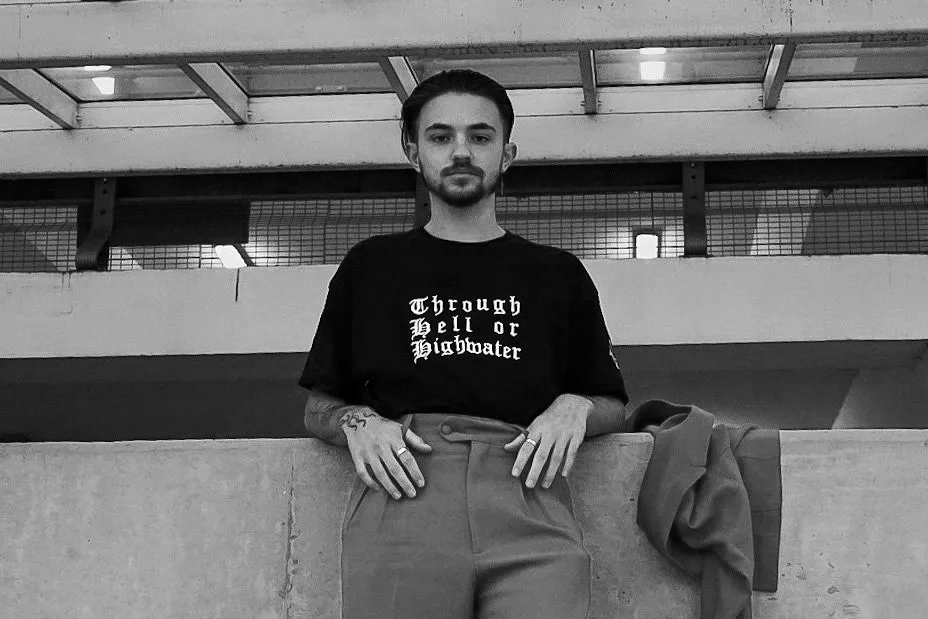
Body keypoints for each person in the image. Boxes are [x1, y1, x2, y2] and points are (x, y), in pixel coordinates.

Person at [299, 69, 629, 619]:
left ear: (507, 153)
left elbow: (613, 403)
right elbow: (318, 406)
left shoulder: (557, 274)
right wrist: (361, 422)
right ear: (413, 152)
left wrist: (576, 405)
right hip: (405, 498)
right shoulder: (371, 267)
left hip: (530, 496)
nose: (460, 151)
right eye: (440, 136)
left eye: (480, 136)